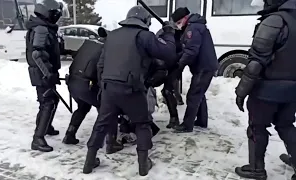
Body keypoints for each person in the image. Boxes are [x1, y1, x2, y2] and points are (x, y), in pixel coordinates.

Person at [82, 5, 177, 176]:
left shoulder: (112, 35)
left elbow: (101, 64)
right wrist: (169, 32)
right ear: (145, 21)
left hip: (109, 88)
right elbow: (169, 54)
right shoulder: (144, 36)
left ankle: (89, 162)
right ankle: (143, 164)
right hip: (132, 89)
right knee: (142, 124)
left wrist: (104, 85)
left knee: (101, 124)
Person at [234, 0, 296, 179]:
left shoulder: (275, 21)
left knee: (257, 127)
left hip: (267, 90)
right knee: (285, 125)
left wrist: (241, 91)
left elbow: (255, 64)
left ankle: (256, 169)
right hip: (292, 89)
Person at [62, 27, 124, 154]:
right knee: (108, 110)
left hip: (73, 83)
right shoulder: (107, 50)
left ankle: (70, 134)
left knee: (82, 107)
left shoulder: (89, 45)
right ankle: (111, 143)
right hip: (87, 86)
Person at [25, 0, 66, 152]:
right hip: (41, 73)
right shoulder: (41, 28)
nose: (57, 16)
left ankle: (46, 127)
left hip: (43, 71)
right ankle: (38, 138)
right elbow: (37, 54)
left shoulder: (43, 27)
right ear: (48, 12)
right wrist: (48, 73)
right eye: (56, 13)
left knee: (50, 100)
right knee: (47, 102)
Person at [170, 7, 219, 133]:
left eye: (178, 23)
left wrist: (179, 66)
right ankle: (202, 121)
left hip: (203, 67)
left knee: (193, 95)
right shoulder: (195, 26)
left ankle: (187, 125)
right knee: (199, 94)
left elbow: (191, 51)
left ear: (184, 19)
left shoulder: (193, 28)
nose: (177, 26)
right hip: (205, 66)